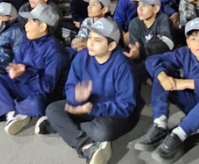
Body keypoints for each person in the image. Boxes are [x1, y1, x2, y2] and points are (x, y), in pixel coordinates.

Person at [39, 17, 140, 164]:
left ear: (111, 46)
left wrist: (94, 108)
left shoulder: (122, 66)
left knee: (102, 132)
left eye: (98, 40)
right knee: (53, 109)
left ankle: (62, 127)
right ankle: (86, 147)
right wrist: (76, 97)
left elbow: (126, 106)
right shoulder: (81, 57)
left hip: (113, 113)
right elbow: (70, 87)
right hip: (86, 107)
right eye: (90, 38)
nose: (90, 43)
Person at [134, 18, 199, 162]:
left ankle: (179, 135)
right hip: (195, 105)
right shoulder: (187, 52)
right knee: (162, 74)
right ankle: (160, 123)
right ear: (187, 42)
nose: (198, 44)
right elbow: (153, 60)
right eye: (193, 39)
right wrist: (162, 76)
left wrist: (185, 83)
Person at [0, 4, 70, 135]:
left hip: (40, 92)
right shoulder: (28, 41)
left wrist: (25, 73)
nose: (26, 25)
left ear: (43, 27)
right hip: (24, 84)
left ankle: (5, 105)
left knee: (37, 103)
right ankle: (12, 113)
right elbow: (16, 64)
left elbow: (47, 86)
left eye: (31, 22)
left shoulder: (55, 51)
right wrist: (16, 71)